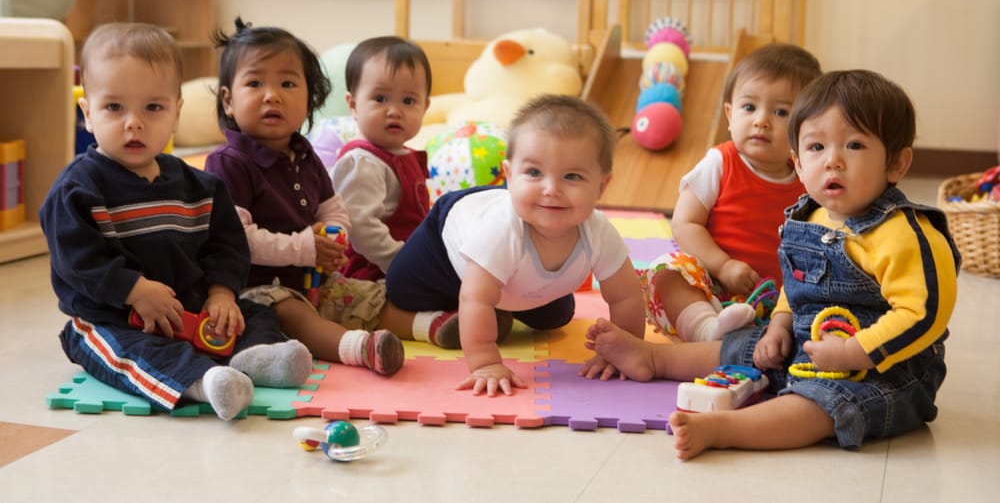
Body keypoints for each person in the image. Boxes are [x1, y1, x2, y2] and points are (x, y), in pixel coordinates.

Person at [586, 69, 960, 460]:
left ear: (896, 164)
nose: (833, 161)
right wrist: (780, 325)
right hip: (810, 343)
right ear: (797, 164)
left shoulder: (903, 234)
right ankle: (654, 358)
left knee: (823, 404)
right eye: (816, 148)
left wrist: (855, 352)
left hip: (885, 369)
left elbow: (923, 314)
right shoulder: (808, 216)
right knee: (739, 346)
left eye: (853, 146)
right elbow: (797, 287)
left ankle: (726, 429)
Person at [40, 22, 313, 421]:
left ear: (176, 114)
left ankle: (260, 359)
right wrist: (133, 290)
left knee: (253, 311)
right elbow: (76, 259)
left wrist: (220, 293)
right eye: (114, 107)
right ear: (88, 113)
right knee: (125, 349)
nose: (134, 122)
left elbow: (226, 245)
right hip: (115, 317)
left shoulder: (200, 185)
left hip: (192, 306)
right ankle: (203, 383)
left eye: (153, 108)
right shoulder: (78, 188)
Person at [385, 94, 647, 396]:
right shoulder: (500, 231)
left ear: (602, 186)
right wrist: (485, 362)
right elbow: (474, 299)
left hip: (516, 284)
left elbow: (626, 296)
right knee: (401, 288)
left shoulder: (599, 232)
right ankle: (449, 314)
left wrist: (625, 350)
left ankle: (498, 309)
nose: (551, 190)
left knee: (556, 317)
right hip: (448, 241)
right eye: (534, 173)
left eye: (572, 176)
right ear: (509, 176)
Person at [205, 18, 404, 376]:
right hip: (254, 289)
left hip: (314, 279)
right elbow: (237, 240)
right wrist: (306, 247)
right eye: (254, 83)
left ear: (310, 100)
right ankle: (360, 349)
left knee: (369, 296)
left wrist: (335, 235)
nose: (272, 94)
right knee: (292, 314)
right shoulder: (228, 163)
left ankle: (433, 325)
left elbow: (333, 206)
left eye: (287, 83)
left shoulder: (305, 153)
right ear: (228, 101)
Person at [643, 43, 822, 343]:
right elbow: (685, 223)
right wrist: (723, 265)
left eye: (781, 112)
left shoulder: (809, 178)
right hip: (710, 287)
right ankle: (706, 331)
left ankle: (760, 340)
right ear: (730, 113)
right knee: (668, 272)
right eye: (749, 107)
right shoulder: (719, 164)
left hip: (775, 302)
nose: (761, 121)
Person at [330, 36, 432, 281]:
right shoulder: (362, 162)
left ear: (426, 107)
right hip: (373, 271)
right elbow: (362, 229)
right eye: (380, 99)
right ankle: (427, 320)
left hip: (407, 261)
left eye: (408, 101)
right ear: (353, 105)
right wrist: (404, 264)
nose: (395, 111)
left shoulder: (403, 154)